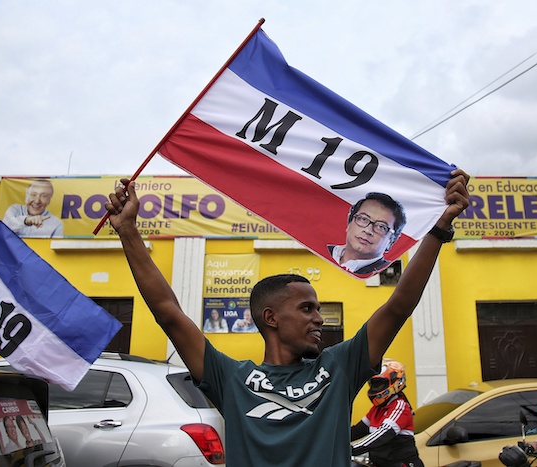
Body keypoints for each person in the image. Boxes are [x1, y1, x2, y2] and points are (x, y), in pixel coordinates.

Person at [104, 169, 469, 466]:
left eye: (317, 309)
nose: (319, 319)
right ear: (271, 318)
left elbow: (399, 305)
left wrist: (439, 228)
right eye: (306, 309)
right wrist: (128, 231)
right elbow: (169, 314)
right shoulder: (233, 378)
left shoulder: (340, 366)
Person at [351, 358, 423, 467]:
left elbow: (383, 434)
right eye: (373, 385)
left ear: (395, 382)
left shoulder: (400, 406)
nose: (375, 389)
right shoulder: (377, 409)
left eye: (379, 384)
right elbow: (356, 431)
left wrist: (353, 449)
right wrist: (330, 438)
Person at [327, 192, 406, 276]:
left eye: (381, 227)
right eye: (363, 219)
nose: (368, 230)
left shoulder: (386, 271)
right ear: (349, 223)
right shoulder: (322, 252)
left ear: (391, 241)